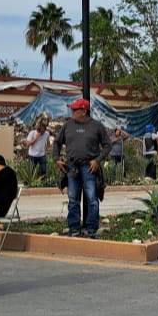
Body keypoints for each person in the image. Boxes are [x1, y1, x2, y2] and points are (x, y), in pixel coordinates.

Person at [51, 98, 109, 238]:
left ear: (83, 111)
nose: (72, 111)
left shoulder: (97, 126)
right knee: (73, 200)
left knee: (92, 200)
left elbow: (107, 145)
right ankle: (74, 228)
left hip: (89, 168)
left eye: (75, 109)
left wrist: (97, 161)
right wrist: (56, 159)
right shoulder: (67, 126)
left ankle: (92, 229)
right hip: (71, 167)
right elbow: (57, 143)